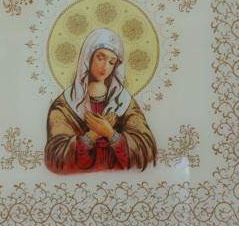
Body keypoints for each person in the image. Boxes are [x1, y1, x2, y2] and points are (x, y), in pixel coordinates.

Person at [45, 27, 157, 174]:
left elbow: (146, 150)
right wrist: (93, 135)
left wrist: (111, 134)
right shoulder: (65, 105)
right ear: (88, 57)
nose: (105, 67)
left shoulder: (123, 102)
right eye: (101, 57)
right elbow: (55, 157)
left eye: (112, 62)